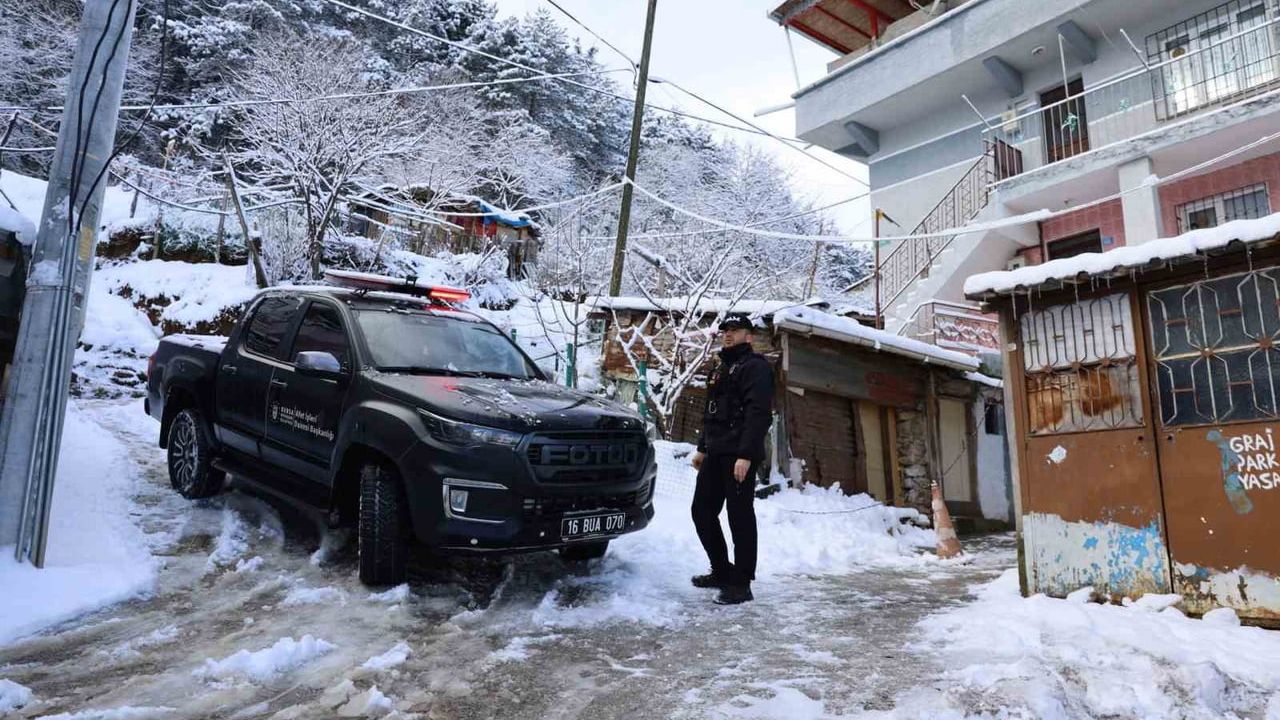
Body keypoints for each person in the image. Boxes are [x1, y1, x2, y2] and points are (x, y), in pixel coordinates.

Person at [690, 313, 774, 605]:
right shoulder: (721, 367)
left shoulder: (755, 368)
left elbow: (758, 414)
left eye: (735, 330)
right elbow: (710, 411)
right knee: (701, 511)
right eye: (725, 329)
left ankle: (741, 583)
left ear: (749, 336)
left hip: (738, 456)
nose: (728, 334)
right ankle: (722, 571)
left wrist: (746, 455)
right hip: (715, 453)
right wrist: (702, 447)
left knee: (740, 518)